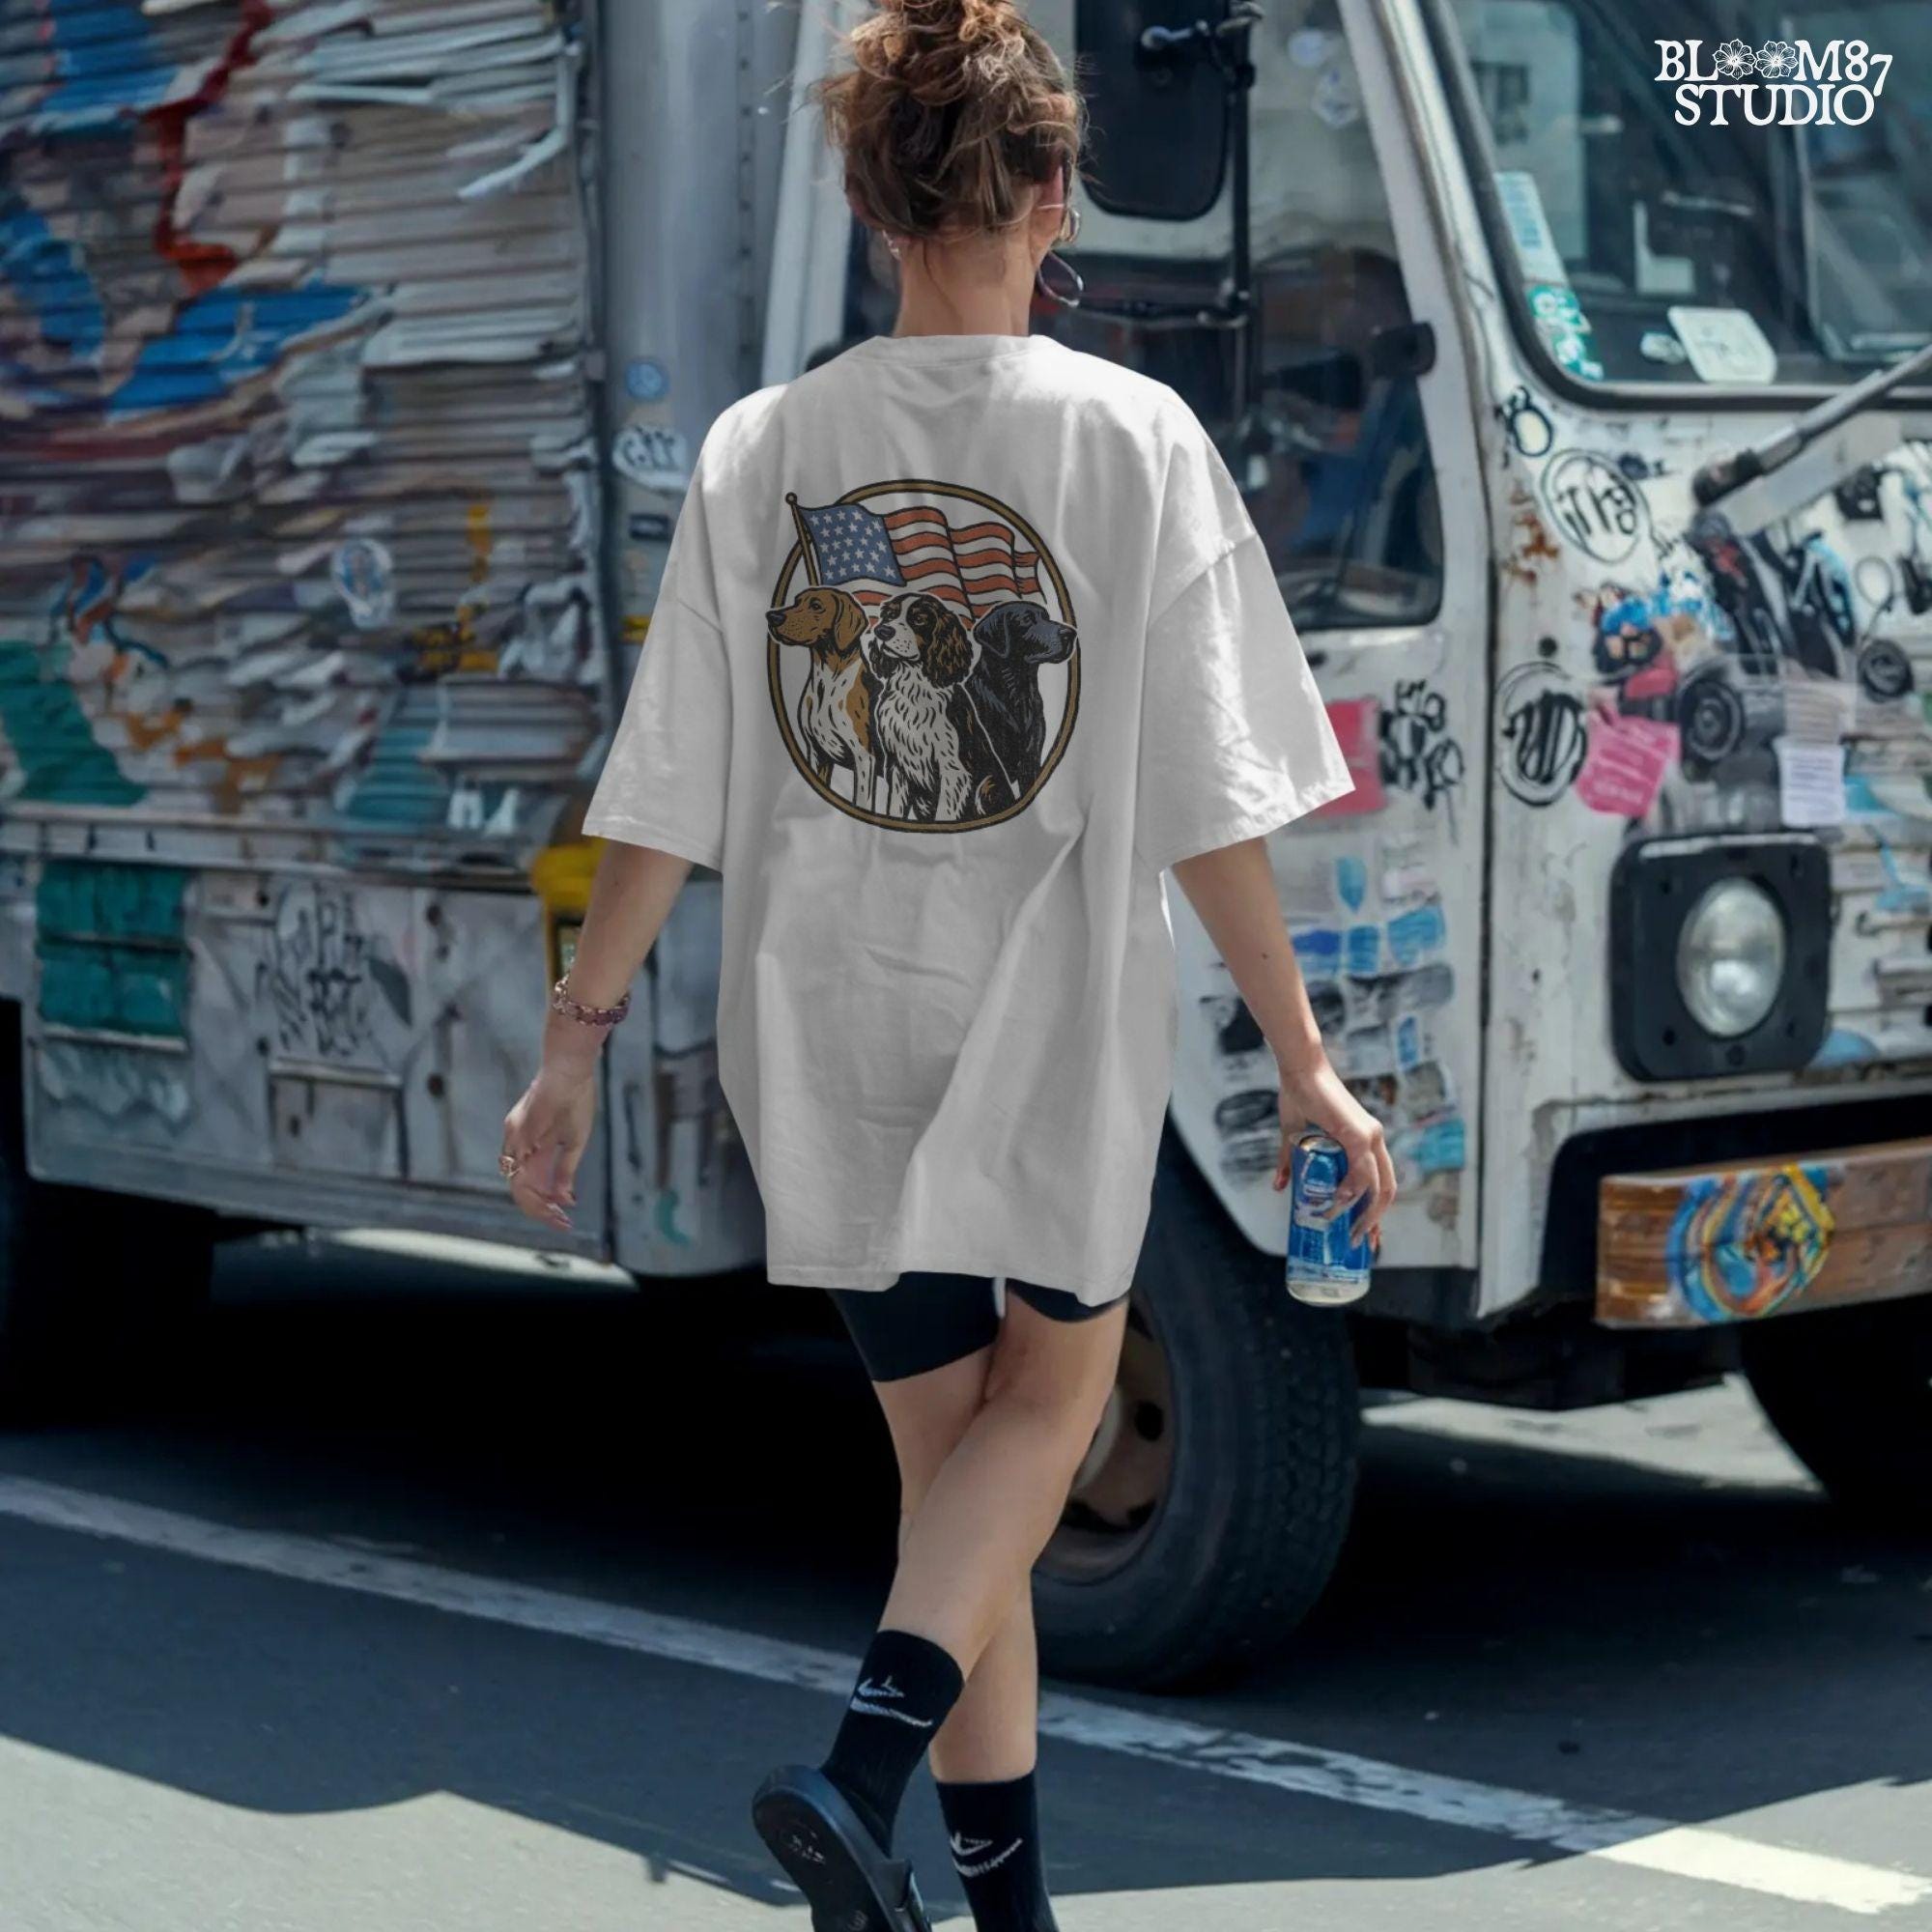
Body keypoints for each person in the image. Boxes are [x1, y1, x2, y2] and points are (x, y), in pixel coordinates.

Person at [501, 2, 1396, 1925]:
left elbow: (665, 785)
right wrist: (1302, 1049)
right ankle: (857, 1765)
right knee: (1047, 1424)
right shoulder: (1134, 438)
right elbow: (1203, 797)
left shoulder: (769, 449)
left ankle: (1002, 1912)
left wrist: (575, 1043)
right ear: (1057, 192)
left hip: (821, 1027)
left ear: (863, 198)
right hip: (1041, 1023)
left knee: (952, 1487)